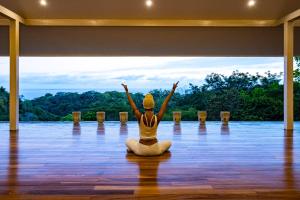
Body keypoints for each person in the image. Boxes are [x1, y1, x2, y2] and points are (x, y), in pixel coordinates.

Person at [121, 82, 179, 156]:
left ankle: (132, 149)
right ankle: (134, 149)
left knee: (128, 141)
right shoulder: (157, 117)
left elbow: (132, 104)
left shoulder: (140, 116)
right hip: (155, 150)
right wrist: (173, 90)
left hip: (141, 151)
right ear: (153, 105)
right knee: (169, 142)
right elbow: (165, 103)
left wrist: (126, 91)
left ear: (144, 105)